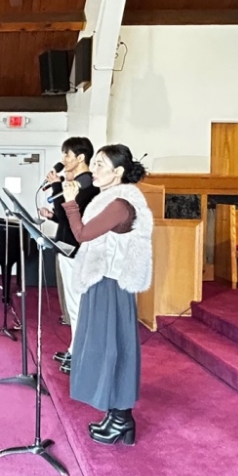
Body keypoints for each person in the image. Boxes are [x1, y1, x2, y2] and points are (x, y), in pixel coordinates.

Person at [61, 144, 153, 446]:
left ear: (118, 172)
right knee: (105, 348)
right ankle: (116, 415)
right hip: (102, 281)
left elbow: (83, 234)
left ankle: (122, 417)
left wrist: (70, 202)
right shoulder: (110, 199)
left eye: (100, 165)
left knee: (114, 349)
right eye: (95, 163)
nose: (94, 170)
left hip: (111, 284)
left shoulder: (120, 204)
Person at [39, 137, 100, 373]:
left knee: (77, 305)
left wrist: (57, 186)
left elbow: (75, 215)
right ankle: (75, 348)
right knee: (72, 304)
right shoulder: (75, 183)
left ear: (81, 157)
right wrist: (52, 216)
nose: (63, 159)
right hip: (66, 246)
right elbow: (66, 217)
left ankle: (80, 353)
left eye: (67, 155)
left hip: (76, 250)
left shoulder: (88, 185)